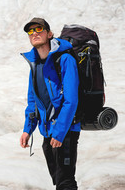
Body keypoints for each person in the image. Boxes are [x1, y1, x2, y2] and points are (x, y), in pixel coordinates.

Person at [19, 17, 81, 190]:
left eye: (39, 29)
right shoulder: (35, 64)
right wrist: (27, 129)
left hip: (66, 130)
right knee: (58, 180)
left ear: (49, 33)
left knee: (66, 181)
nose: (34, 33)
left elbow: (71, 100)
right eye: (30, 31)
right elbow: (33, 101)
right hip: (48, 132)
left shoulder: (65, 60)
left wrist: (60, 133)